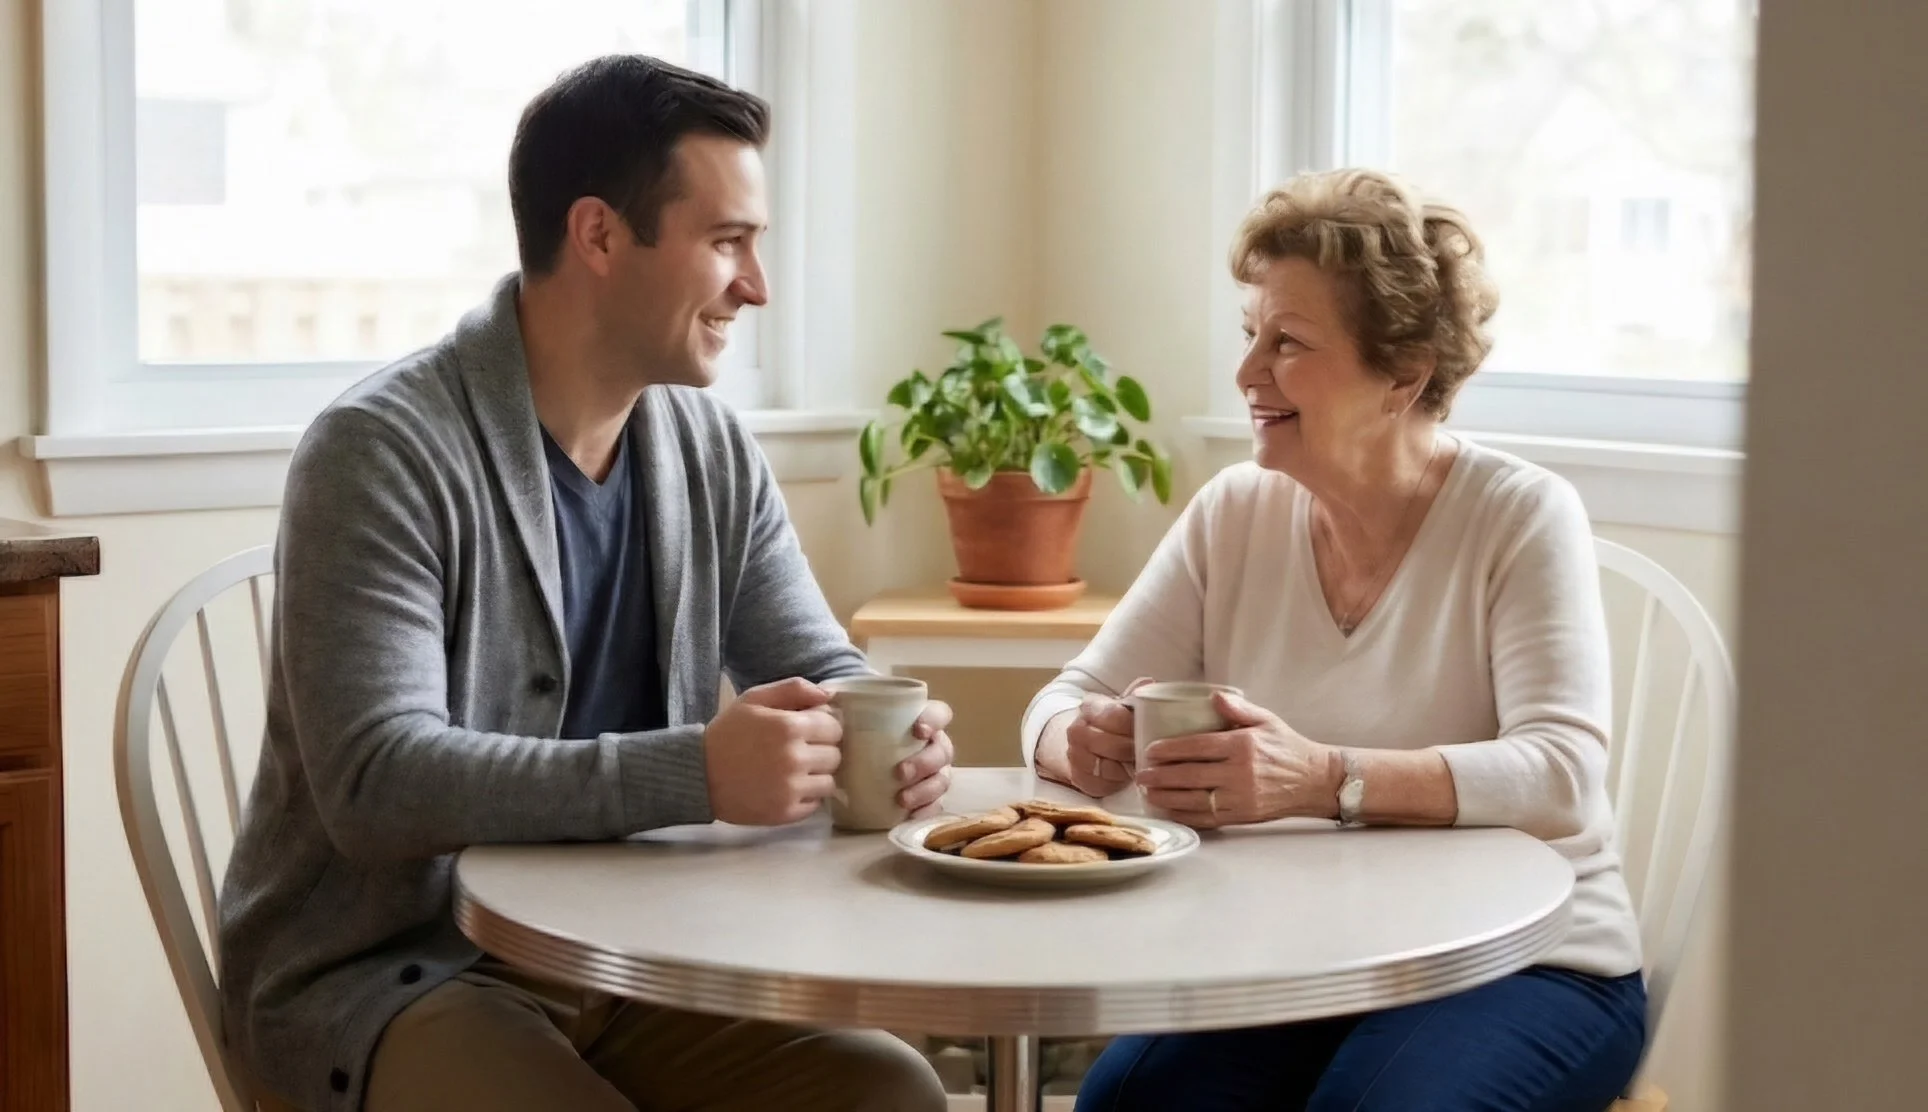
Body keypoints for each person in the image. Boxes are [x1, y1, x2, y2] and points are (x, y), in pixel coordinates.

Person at [219, 56, 954, 1112]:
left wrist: (891, 726)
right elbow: (376, 783)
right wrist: (695, 773)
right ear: (600, 235)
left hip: (629, 956)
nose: (757, 285)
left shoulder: (709, 450)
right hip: (393, 973)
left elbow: (818, 664)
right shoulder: (377, 450)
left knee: (894, 1094)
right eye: (726, 242)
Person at [1022, 169, 1647, 1111]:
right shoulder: (1234, 511)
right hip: (1308, 963)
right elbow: (1058, 699)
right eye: (1251, 338)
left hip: (1532, 960)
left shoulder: (1520, 515)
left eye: (1289, 344)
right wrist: (1079, 740)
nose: (1246, 374)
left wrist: (1322, 778)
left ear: (1405, 375)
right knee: (1123, 1106)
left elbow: (1563, 776)